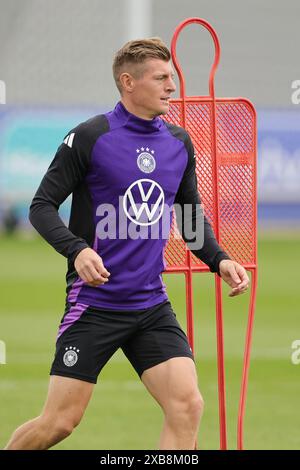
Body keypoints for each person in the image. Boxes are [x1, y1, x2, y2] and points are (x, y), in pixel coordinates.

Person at [4, 37, 249, 450]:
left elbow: (189, 220)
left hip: (151, 305)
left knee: (187, 406)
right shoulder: (89, 137)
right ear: (128, 82)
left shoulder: (179, 143)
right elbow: (42, 206)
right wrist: (77, 250)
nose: (172, 85)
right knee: (60, 423)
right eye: (161, 77)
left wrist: (219, 260)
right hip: (96, 305)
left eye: (171, 76)